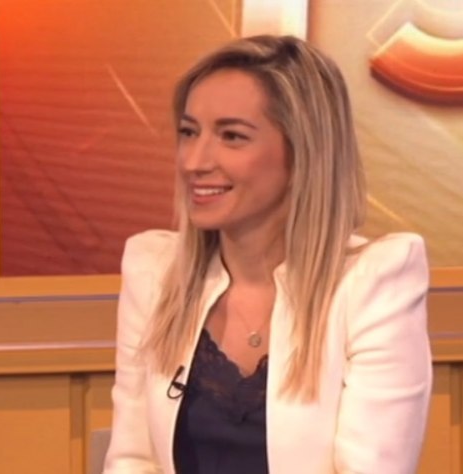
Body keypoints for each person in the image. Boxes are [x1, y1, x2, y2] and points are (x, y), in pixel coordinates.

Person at [103, 35, 432, 474]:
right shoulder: (154, 272)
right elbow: (132, 459)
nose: (194, 162)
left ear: (302, 153)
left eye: (232, 136)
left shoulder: (373, 283)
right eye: (189, 132)